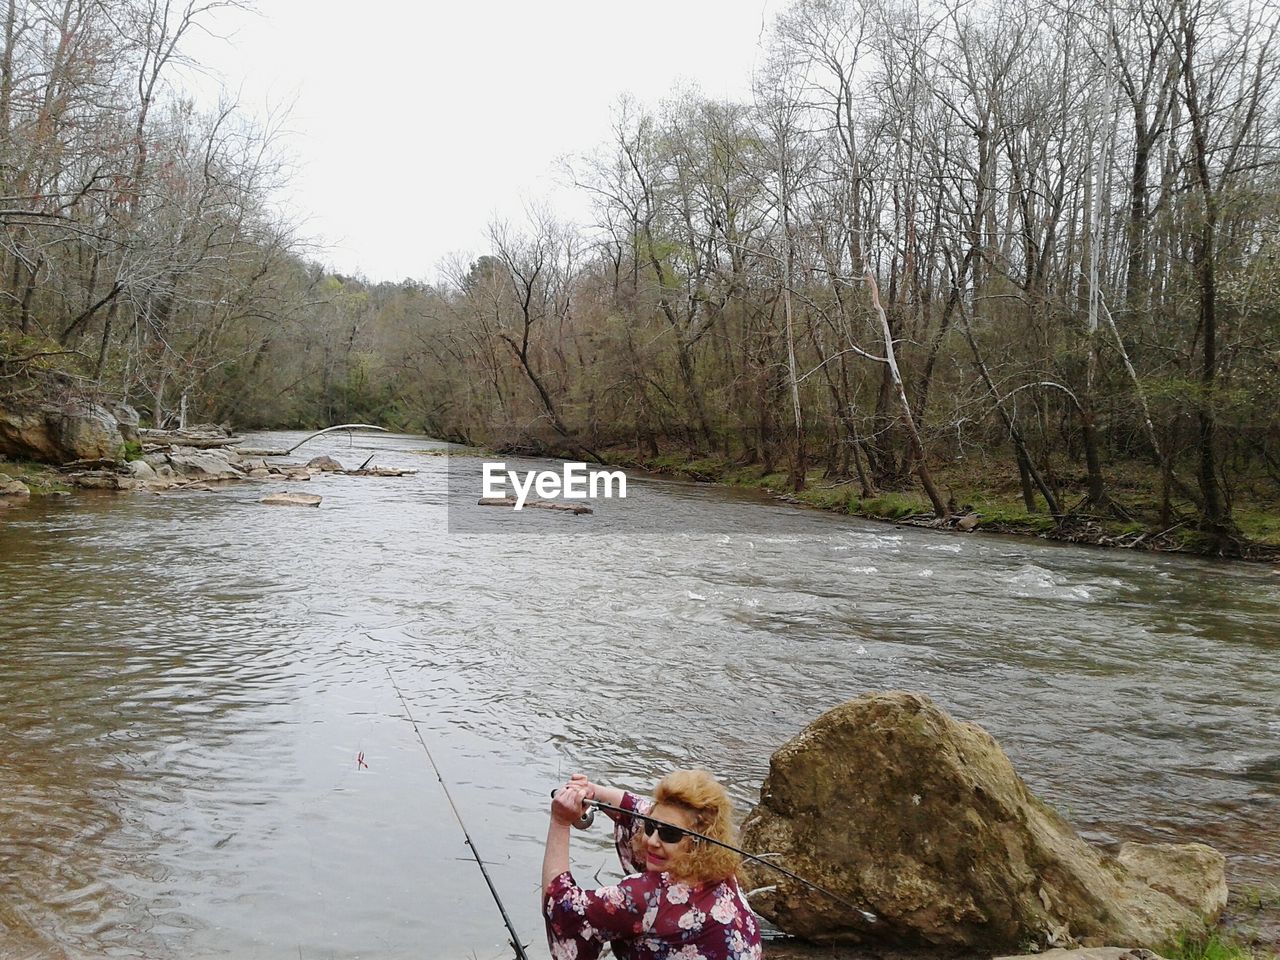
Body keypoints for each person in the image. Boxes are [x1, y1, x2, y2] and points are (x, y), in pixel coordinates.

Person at [542, 769, 763, 960]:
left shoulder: (648, 897)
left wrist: (560, 822)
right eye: (650, 826)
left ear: (700, 843)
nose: (652, 840)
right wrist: (592, 791)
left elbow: (562, 907)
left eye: (669, 834)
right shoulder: (719, 865)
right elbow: (637, 809)